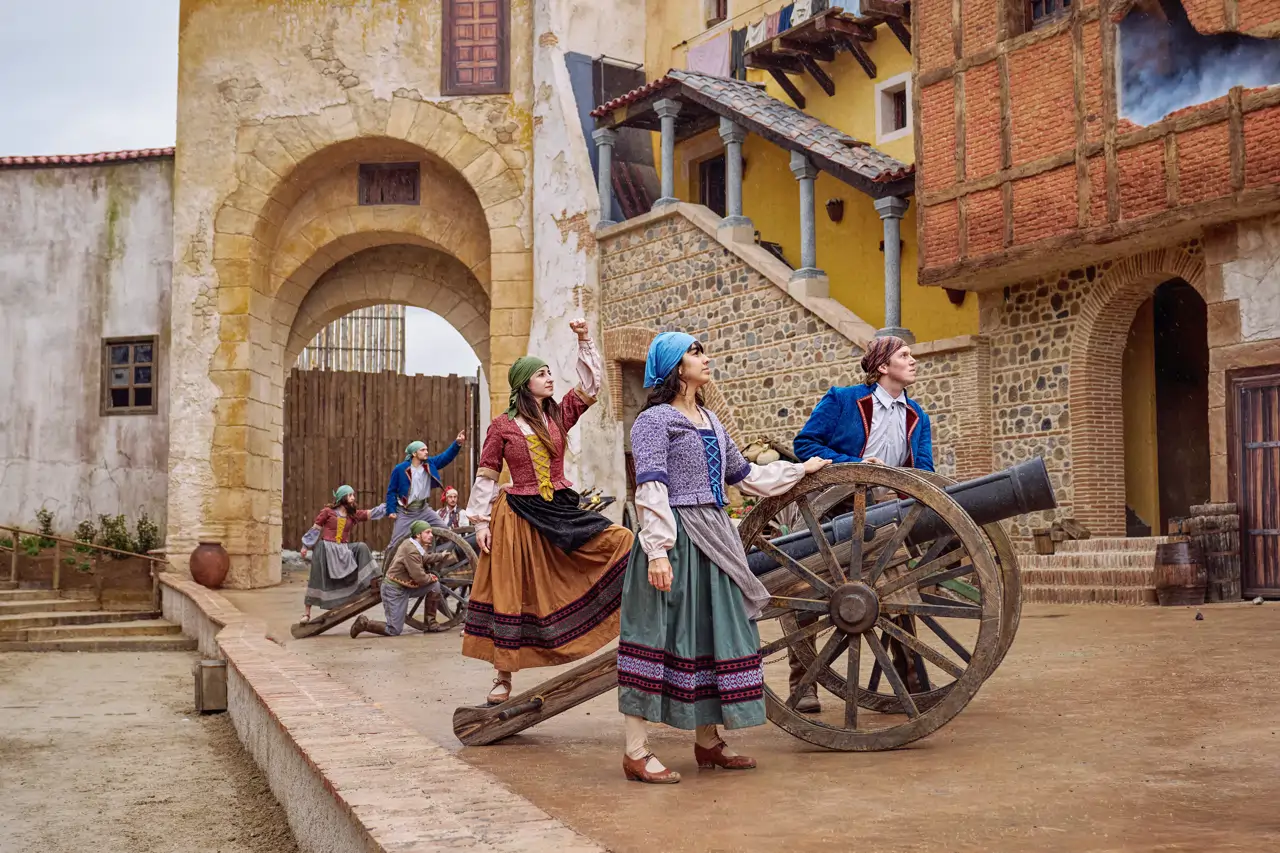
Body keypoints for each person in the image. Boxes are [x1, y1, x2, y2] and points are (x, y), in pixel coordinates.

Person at [617, 332, 831, 783]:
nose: (705, 358)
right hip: (676, 538)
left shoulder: (711, 419)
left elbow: (744, 475)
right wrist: (657, 552)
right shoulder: (654, 421)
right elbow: (651, 488)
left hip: (715, 537)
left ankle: (708, 741)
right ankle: (635, 751)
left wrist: (799, 469)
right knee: (654, 638)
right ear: (676, 367)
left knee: (712, 636)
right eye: (695, 353)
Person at [462, 318, 634, 705]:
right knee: (510, 591)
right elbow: (487, 473)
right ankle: (502, 676)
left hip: (558, 508)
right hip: (517, 513)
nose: (549, 378)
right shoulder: (502, 426)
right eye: (541, 374)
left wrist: (585, 339)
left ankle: (624, 617)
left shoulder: (558, 415)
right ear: (525, 384)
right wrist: (480, 523)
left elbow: (590, 387)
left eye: (549, 373)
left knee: (621, 540)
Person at [787, 334, 934, 711]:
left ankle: (911, 680)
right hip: (833, 509)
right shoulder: (843, 400)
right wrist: (855, 464)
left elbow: (924, 471)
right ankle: (804, 683)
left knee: (896, 589)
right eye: (905, 355)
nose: (913, 360)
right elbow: (806, 444)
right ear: (883, 366)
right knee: (809, 592)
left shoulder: (917, 415)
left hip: (886, 514)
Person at [350, 521, 452, 638]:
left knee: (434, 585)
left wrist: (440, 556)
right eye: (427, 532)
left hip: (405, 586)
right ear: (418, 534)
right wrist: (431, 577)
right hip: (394, 590)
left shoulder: (411, 543)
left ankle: (431, 623)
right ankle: (364, 624)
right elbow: (420, 578)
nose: (431, 535)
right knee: (394, 629)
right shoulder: (411, 550)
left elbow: (423, 558)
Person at [299, 485, 381, 624]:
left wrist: (389, 507)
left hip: (343, 550)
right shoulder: (328, 512)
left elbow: (369, 513)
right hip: (325, 549)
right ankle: (307, 613)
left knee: (361, 547)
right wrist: (305, 545)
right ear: (343, 497)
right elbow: (316, 528)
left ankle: (373, 580)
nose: (353, 498)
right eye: (350, 495)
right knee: (316, 579)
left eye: (353, 495)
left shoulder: (352, 515)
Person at [385, 432, 466, 554]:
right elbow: (391, 491)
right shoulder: (400, 469)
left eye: (426, 450)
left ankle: (439, 557)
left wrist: (457, 443)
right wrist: (391, 510)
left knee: (446, 532)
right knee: (395, 544)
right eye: (422, 450)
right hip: (406, 512)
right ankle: (389, 565)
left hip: (424, 510)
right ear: (414, 454)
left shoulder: (429, 464)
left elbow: (445, 457)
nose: (426, 452)